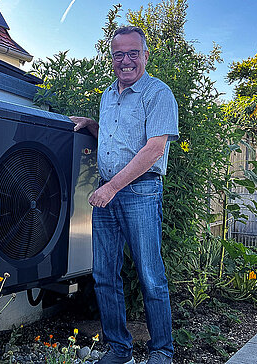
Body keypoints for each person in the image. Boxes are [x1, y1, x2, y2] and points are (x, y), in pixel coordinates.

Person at [70, 26, 179, 364]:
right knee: (104, 275)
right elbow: (116, 141)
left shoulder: (158, 94)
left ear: (146, 55)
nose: (126, 60)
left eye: (134, 53)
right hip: (108, 194)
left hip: (140, 192)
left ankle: (161, 352)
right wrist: (91, 125)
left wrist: (112, 187)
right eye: (119, 54)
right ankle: (120, 350)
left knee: (150, 275)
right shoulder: (108, 95)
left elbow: (153, 150)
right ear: (112, 58)